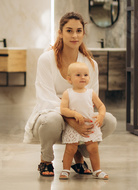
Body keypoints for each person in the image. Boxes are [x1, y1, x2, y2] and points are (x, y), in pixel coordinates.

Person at [23, 11, 117, 177]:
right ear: (60, 33)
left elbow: (90, 98)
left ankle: (79, 155)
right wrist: (71, 118)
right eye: (69, 30)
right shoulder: (46, 59)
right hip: (52, 116)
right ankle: (45, 160)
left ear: (83, 33)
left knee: (109, 120)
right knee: (52, 119)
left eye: (79, 31)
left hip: (80, 115)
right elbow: (46, 99)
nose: (74, 35)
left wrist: (83, 117)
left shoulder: (90, 64)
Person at [59, 62, 108, 180]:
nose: (83, 77)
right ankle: (65, 170)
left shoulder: (91, 93)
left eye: (86, 75)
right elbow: (63, 109)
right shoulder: (68, 93)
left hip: (89, 125)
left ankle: (97, 170)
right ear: (69, 79)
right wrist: (74, 114)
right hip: (74, 126)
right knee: (70, 149)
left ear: (89, 78)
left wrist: (101, 115)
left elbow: (101, 106)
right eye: (78, 75)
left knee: (93, 149)